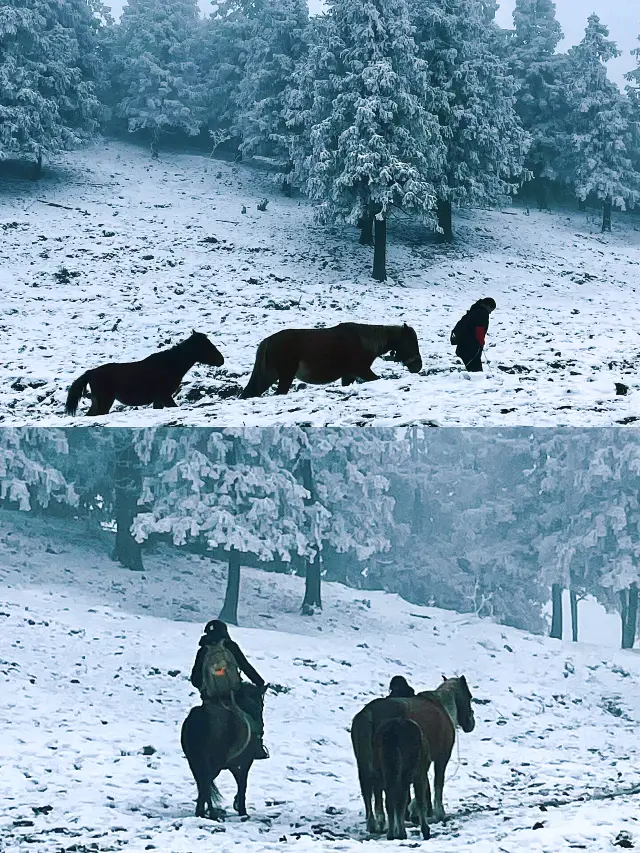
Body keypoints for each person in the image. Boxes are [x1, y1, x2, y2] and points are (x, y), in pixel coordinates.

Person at [190, 619, 269, 760]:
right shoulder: (230, 646)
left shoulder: (202, 651)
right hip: (235, 695)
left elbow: (195, 679)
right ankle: (257, 747)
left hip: (211, 699)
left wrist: (205, 689)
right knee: (254, 712)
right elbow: (245, 666)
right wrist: (259, 682)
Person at [450, 297, 496, 372]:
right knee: (476, 373)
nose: (490, 312)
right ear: (487, 305)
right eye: (491, 309)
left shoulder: (473, 311)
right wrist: (481, 343)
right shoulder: (482, 313)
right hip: (472, 347)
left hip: (463, 345)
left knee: (470, 371)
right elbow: (479, 329)